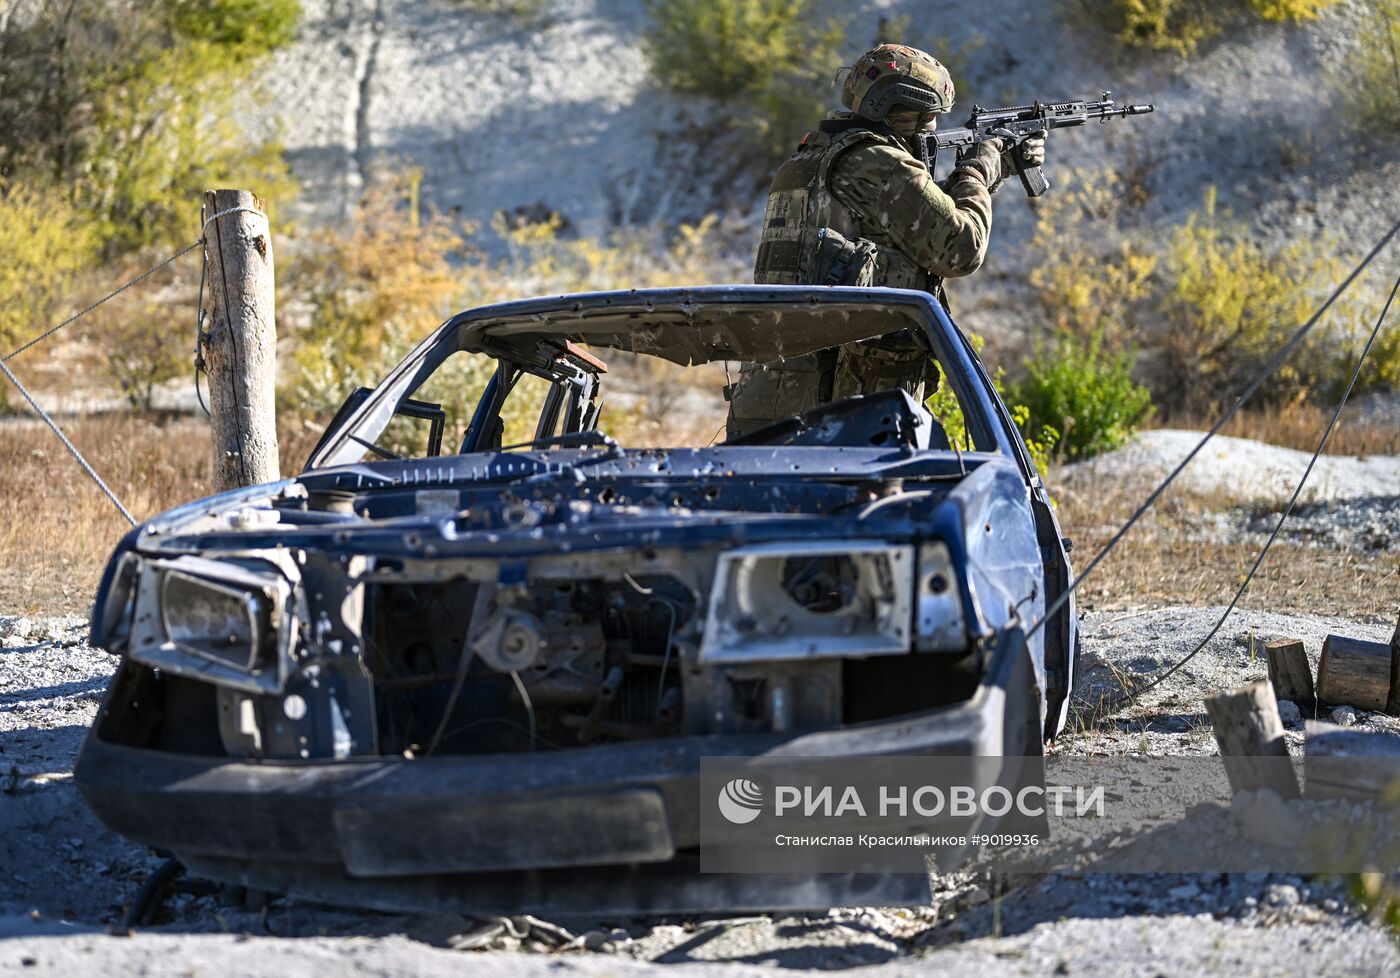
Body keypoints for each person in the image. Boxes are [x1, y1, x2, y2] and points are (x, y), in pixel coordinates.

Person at [725, 43, 1046, 438]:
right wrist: (977, 171)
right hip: (856, 410)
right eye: (927, 118)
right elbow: (962, 249)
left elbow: (901, 222)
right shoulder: (878, 161)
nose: (930, 127)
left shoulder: (803, 162)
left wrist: (997, 169)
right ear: (903, 112)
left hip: (773, 398)